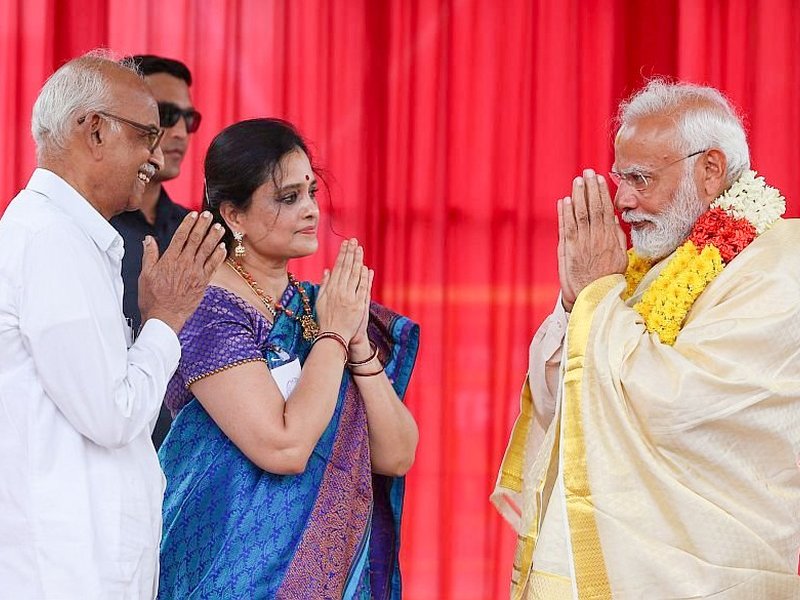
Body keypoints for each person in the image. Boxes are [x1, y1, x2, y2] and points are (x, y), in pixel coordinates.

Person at [492, 80, 800, 599]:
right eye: (620, 178)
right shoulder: (645, 272)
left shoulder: (779, 266)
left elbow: (682, 408)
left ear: (710, 170)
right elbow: (561, 405)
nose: (624, 200)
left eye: (641, 179)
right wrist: (576, 306)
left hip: (712, 576)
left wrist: (596, 299)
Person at [157, 118, 420, 599]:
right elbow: (284, 448)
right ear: (233, 215)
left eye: (311, 192)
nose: (311, 211)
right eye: (287, 198)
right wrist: (334, 335)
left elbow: (397, 453)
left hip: (321, 577)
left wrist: (356, 343)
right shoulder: (209, 309)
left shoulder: (317, 306)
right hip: (226, 567)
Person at [0, 51, 225, 597]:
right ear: (94, 130)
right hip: (67, 571)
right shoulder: (51, 238)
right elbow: (113, 413)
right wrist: (166, 321)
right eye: (146, 133)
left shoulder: (66, 234)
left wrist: (152, 321)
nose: (156, 154)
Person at [111, 54, 202, 448]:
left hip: (190, 452)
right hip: (108, 441)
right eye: (167, 115)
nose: (181, 132)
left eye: (190, 119)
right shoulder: (87, 226)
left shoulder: (197, 230)